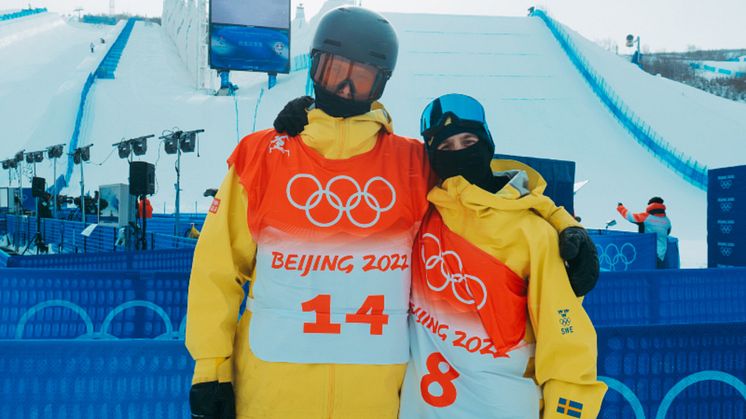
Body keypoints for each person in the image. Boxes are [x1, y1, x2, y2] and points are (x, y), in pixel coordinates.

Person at [188, 7, 598, 419]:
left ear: (380, 83)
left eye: (361, 76)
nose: (346, 88)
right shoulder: (263, 155)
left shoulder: (411, 164)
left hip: (374, 400)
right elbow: (217, 268)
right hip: (270, 393)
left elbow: (488, 196)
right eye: (336, 71)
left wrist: (561, 223)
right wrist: (211, 369)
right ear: (315, 67)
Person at [396, 94, 606, 418]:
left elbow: (567, 346)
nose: (460, 154)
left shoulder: (533, 234)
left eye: (468, 141)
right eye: (446, 148)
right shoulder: (422, 217)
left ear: (487, 145)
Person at [617, 197, 672, 268]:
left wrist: (620, 207)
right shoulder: (667, 221)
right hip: (661, 255)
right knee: (656, 276)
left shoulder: (645, 217)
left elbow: (629, 216)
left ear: (650, 206)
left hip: (646, 253)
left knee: (643, 276)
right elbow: (667, 233)